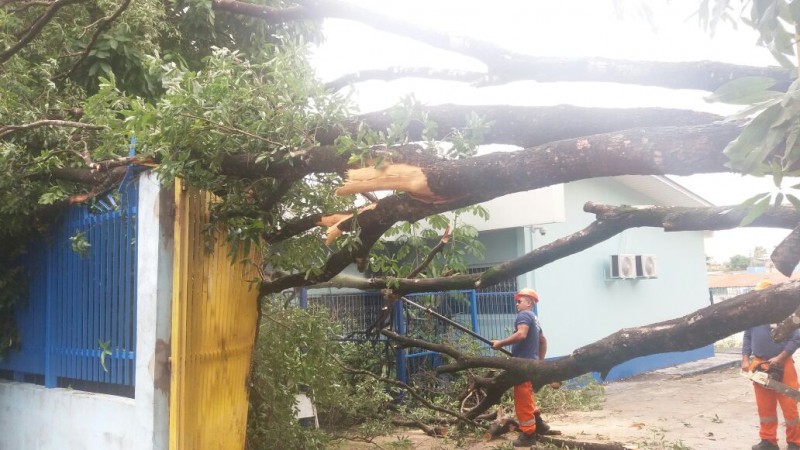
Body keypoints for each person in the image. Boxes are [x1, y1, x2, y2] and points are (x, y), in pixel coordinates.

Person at [742, 280, 800, 450]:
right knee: (764, 406)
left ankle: (795, 442)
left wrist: (781, 358)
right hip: (759, 363)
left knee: (789, 405)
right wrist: (745, 358)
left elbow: (797, 338)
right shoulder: (754, 317)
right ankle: (768, 440)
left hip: (783, 364)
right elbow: (747, 337)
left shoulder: (786, 315)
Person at [491, 287, 549, 447]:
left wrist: (500, 343)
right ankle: (540, 424)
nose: (516, 304)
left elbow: (521, 334)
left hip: (522, 366)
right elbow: (543, 341)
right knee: (528, 395)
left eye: (519, 301)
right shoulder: (534, 318)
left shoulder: (523, 315)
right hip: (531, 363)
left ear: (529, 302)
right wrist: (539, 362)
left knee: (522, 398)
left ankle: (528, 434)